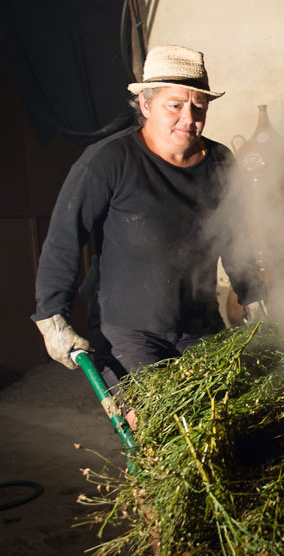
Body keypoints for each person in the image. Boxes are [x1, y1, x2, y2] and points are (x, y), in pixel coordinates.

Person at [32, 45, 266, 388]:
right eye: (175, 105)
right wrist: (52, 317)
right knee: (152, 418)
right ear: (145, 105)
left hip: (200, 327)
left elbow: (235, 237)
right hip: (127, 332)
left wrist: (254, 294)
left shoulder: (219, 160)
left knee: (223, 413)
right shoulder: (109, 160)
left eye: (198, 106)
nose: (189, 118)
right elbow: (64, 239)